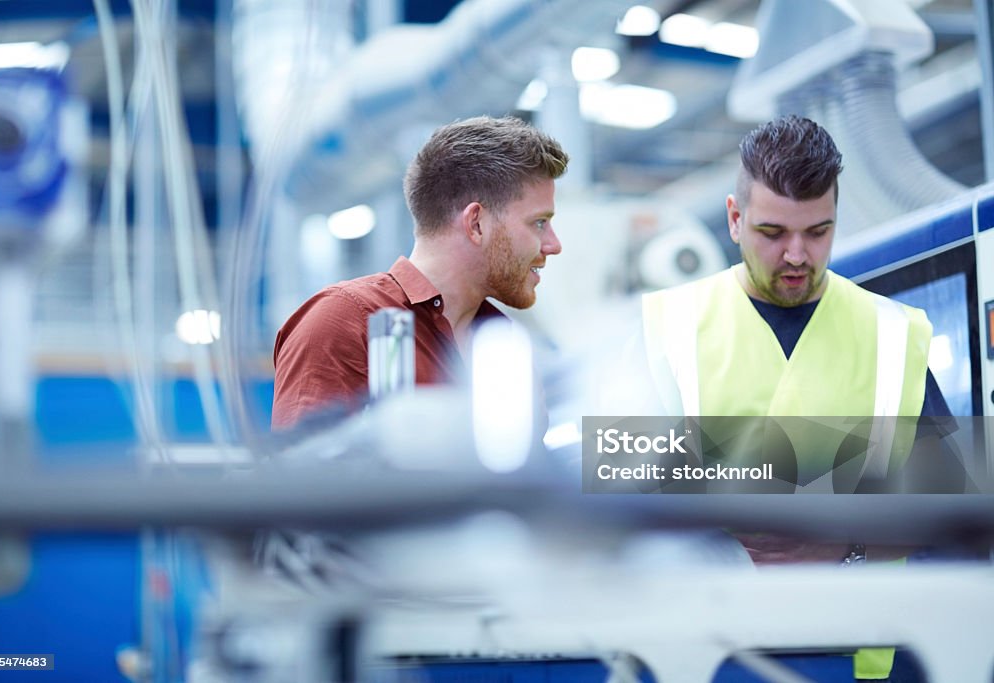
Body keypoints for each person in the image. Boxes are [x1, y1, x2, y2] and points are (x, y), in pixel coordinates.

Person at [640, 114, 950, 681]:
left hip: (868, 662)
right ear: (735, 220)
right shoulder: (665, 331)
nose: (797, 256)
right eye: (773, 232)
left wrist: (843, 550)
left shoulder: (894, 337)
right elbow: (617, 519)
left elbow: (952, 523)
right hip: (710, 660)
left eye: (817, 231)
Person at [272, 116, 569, 428]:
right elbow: (301, 469)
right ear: (476, 224)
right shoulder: (344, 321)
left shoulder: (504, 345)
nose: (554, 244)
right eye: (539, 223)